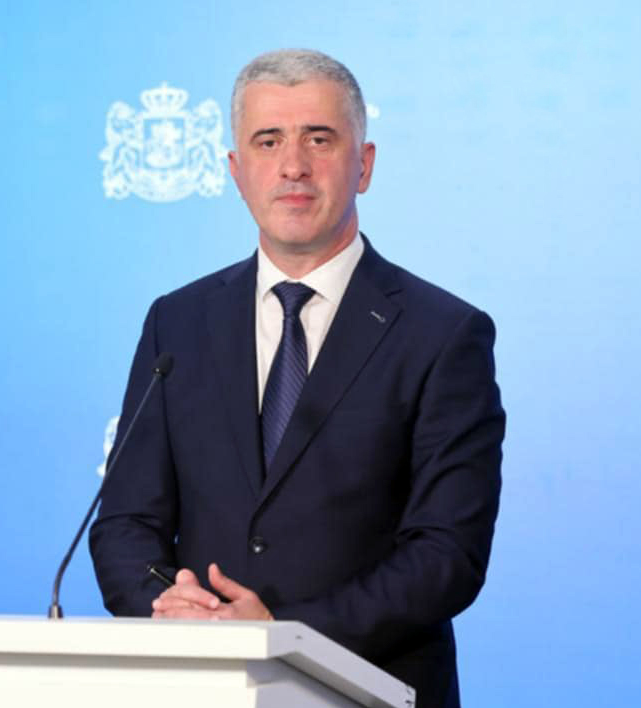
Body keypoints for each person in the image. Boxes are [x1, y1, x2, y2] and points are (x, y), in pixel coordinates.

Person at [89, 48, 504, 708]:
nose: (293, 166)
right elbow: (124, 523)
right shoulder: (178, 322)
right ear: (235, 171)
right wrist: (166, 601)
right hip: (201, 689)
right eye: (268, 141)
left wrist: (284, 635)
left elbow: (446, 554)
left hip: (371, 690)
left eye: (319, 139)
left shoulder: (443, 334)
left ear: (364, 165)